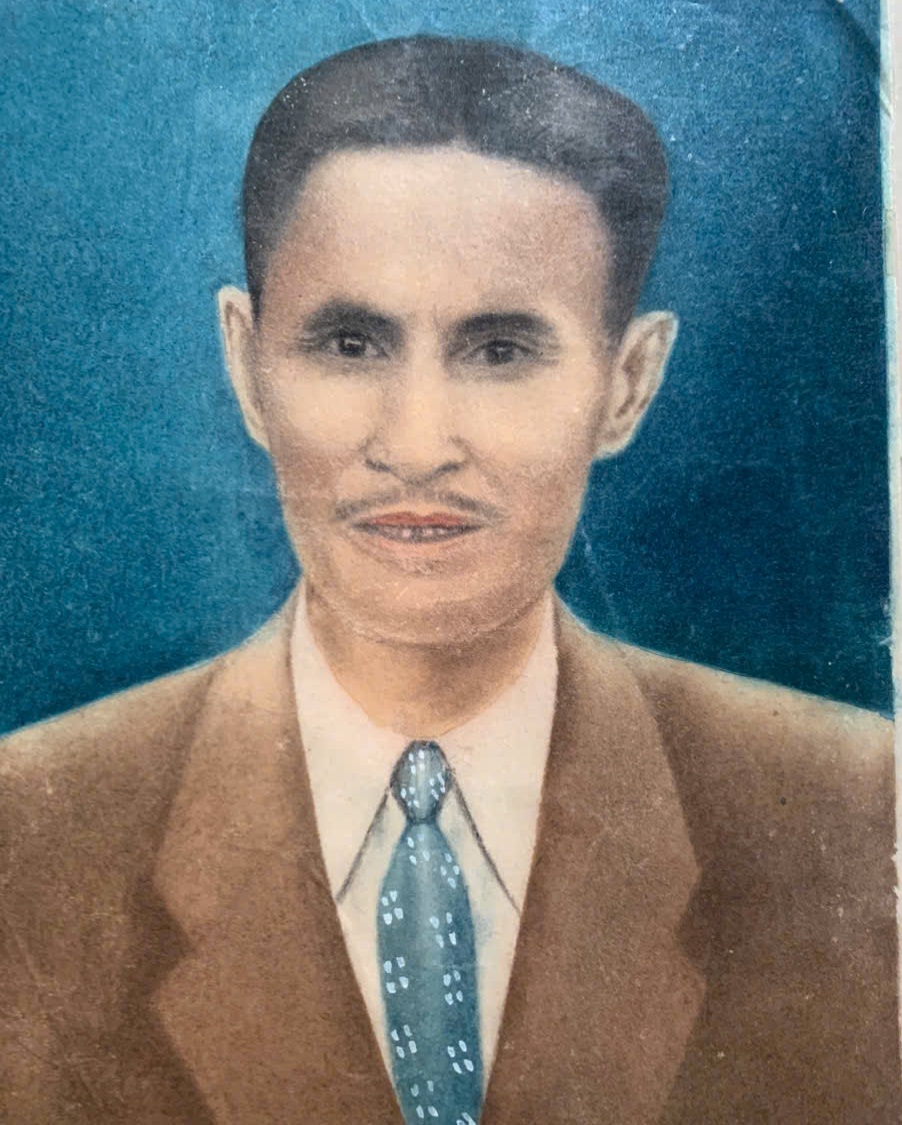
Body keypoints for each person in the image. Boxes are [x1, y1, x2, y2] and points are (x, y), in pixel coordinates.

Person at [0, 35, 897, 1125]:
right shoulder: (25, 839)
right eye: (348, 344)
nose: (416, 445)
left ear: (627, 383)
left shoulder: (859, 811)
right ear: (245, 362)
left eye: (501, 350)